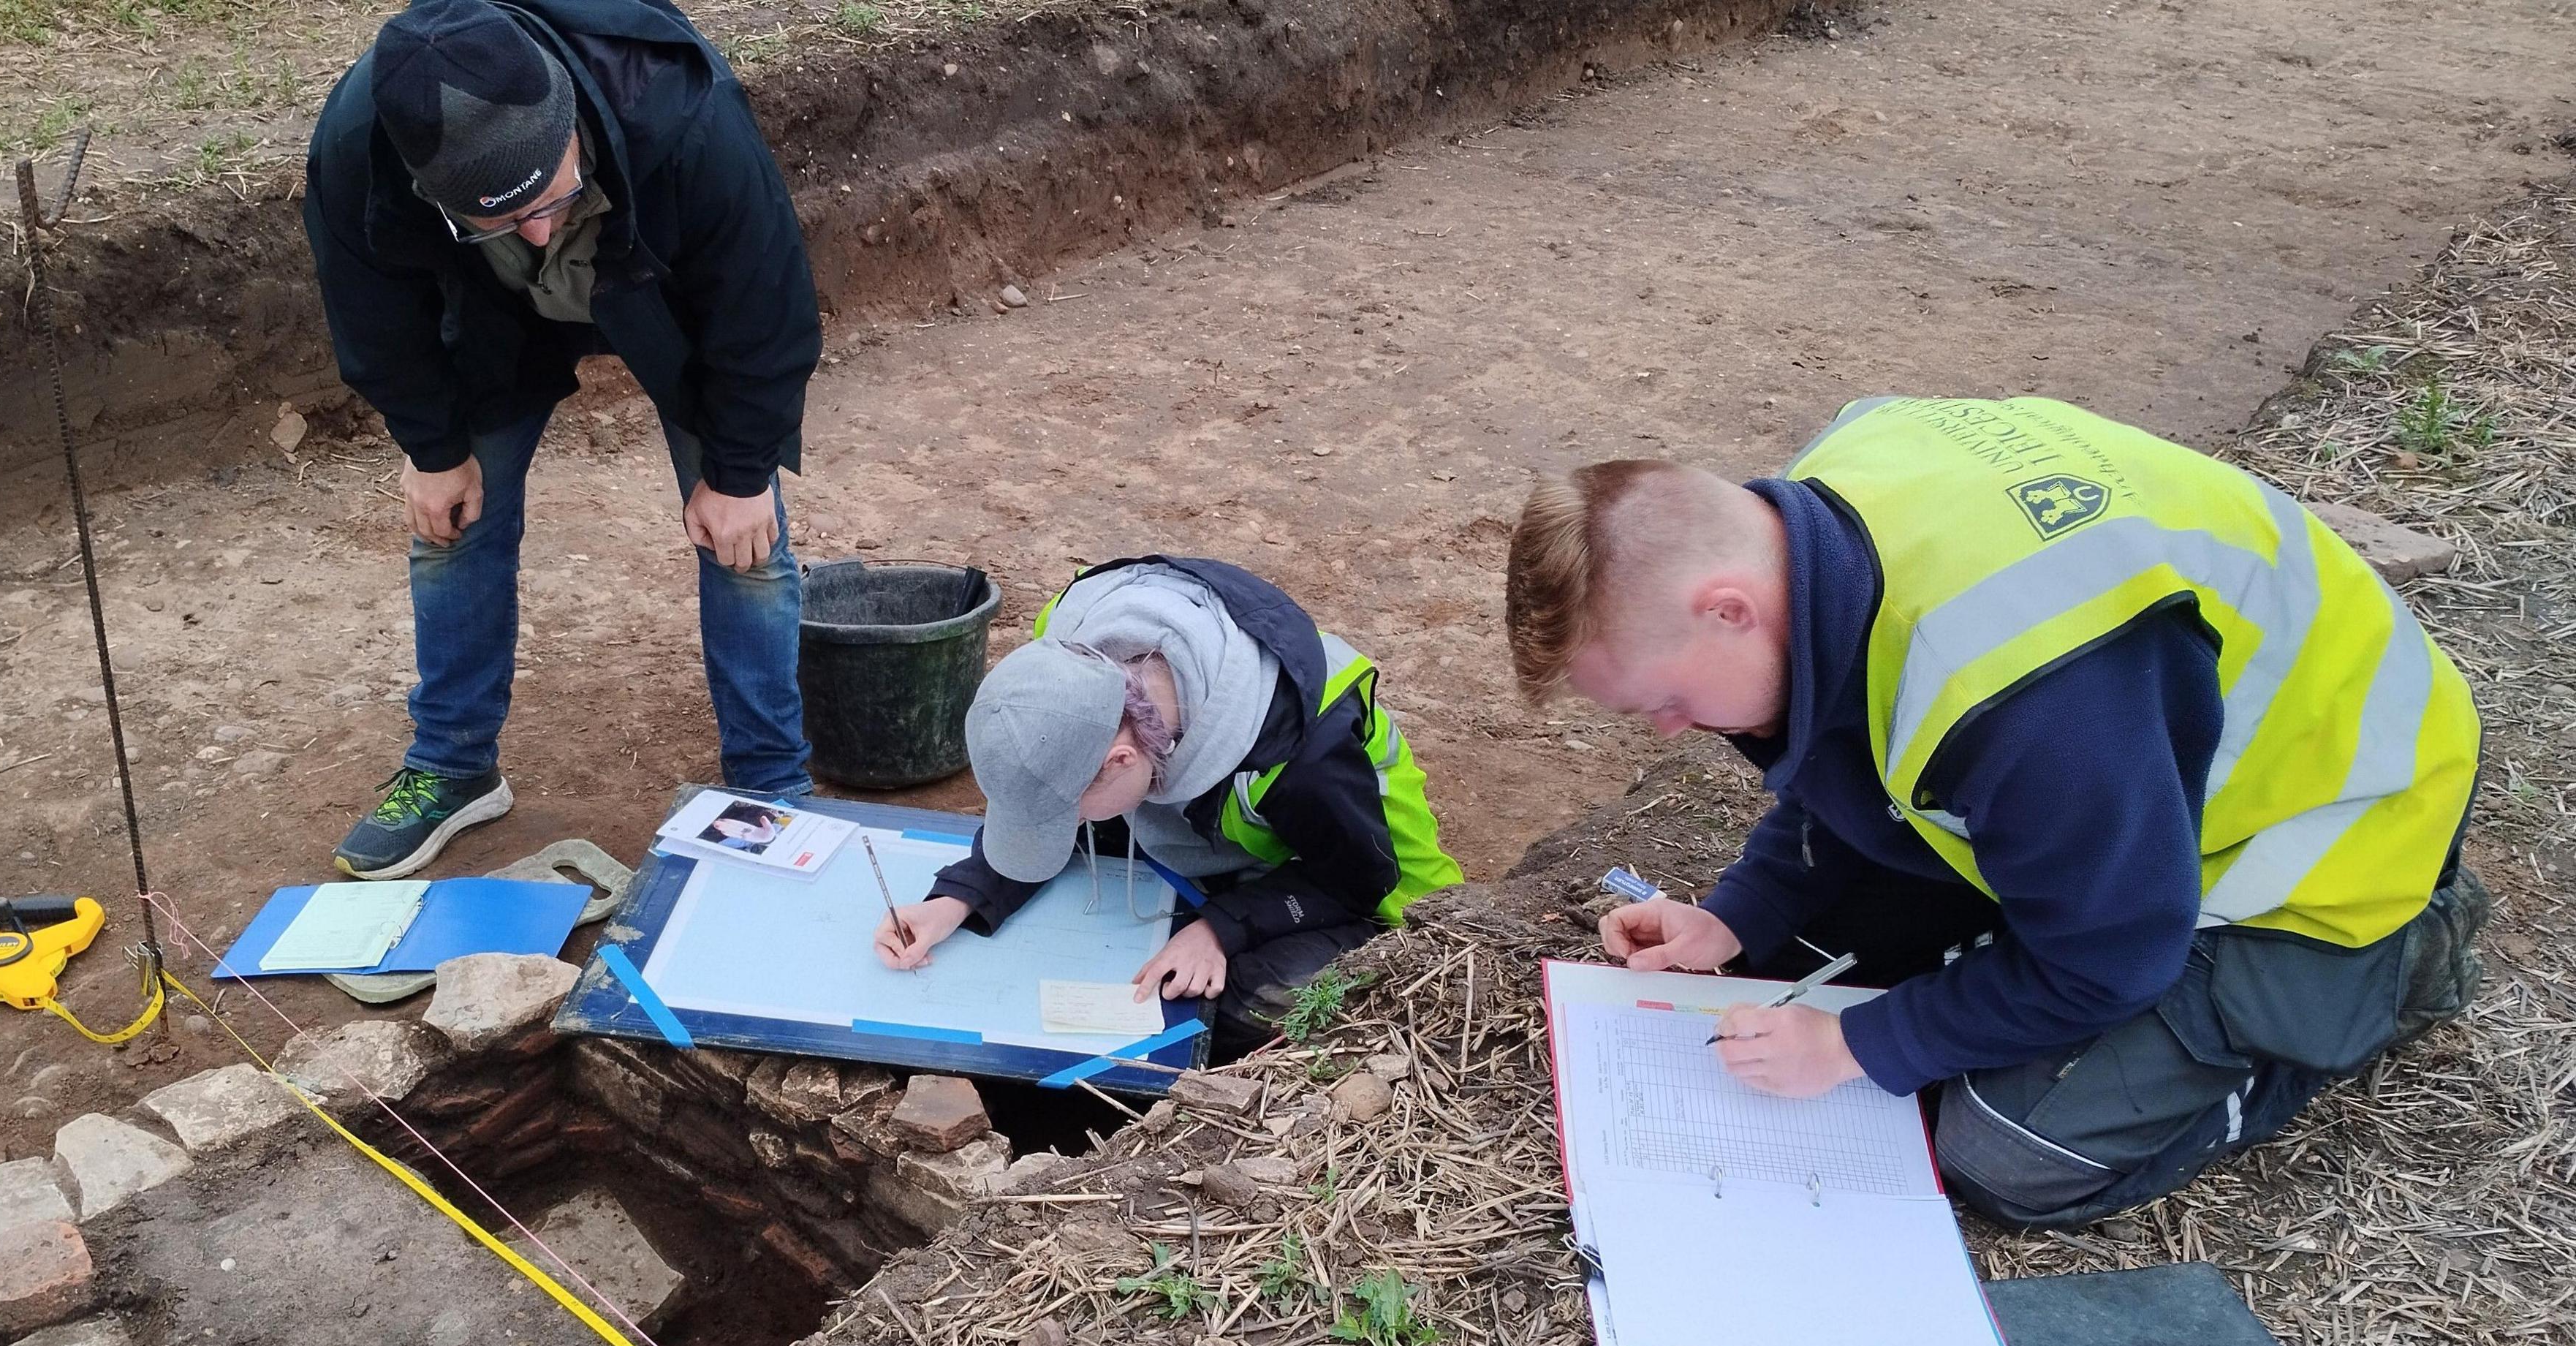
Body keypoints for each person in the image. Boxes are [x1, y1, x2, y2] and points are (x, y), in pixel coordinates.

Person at [1504, 396, 2487, 1228]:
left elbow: (2110, 958)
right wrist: (1742, 914)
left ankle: (2385, 972)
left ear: (1729, 608)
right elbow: (1849, 739)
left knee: (2003, 1146)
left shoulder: (2036, 690)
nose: (1671, 730)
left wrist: (1856, 1045)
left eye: (1661, 701)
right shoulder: (1804, 521)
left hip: (2336, 835)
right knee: (1798, 962)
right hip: (2129, 780)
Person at [304, 0, 822, 878]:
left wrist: (736, 473)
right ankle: (453, 764)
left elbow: (764, 307)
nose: (541, 232)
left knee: (747, 536)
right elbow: (373, 313)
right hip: (493, 304)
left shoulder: (679, 110)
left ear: (569, 120)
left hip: (658, 275)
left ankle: (770, 781)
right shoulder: (366, 141)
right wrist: (433, 448)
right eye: (502, 215)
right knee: (452, 520)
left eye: (550, 199)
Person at [872, 557, 1466, 1056]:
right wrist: (957, 899)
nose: (1071, 825)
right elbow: (1045, 783)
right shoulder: (1066, 654)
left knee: (1233, 1003)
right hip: (1217, 828)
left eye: (1072, 813)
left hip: (1367, 883)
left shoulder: (1303, 757)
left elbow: (1356, 884)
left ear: (1124, 761)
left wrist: (1222, 928)